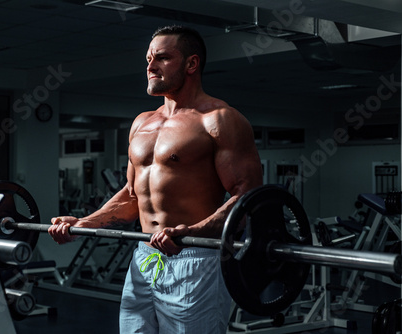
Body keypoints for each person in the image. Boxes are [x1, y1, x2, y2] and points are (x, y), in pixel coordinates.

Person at [49, 25, 263, 334]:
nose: (150, 67)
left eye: (162, 58)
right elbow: (132, 196)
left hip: (194, 256)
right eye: (149, 59)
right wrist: (85, 223)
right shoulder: (141, 123)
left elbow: (247, 196)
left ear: (192, 64)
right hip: (145, 256)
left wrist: (192, 231)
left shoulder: (219, 120)